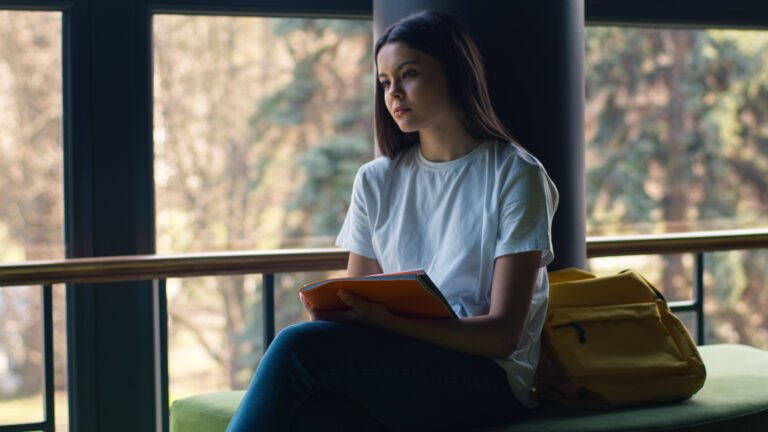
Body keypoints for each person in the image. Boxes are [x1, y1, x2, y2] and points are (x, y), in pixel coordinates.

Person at [226, 9, 558, 432]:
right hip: (402, 360)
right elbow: (358, 299)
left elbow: (503, 334)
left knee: (296, 345)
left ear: (455, 73)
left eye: (409, 74)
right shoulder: (376, 179)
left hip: (488, 376)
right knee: (313, 415)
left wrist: (390, 323)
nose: (394, 93)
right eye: (385, 82)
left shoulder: (516, 175)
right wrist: (341, 315)